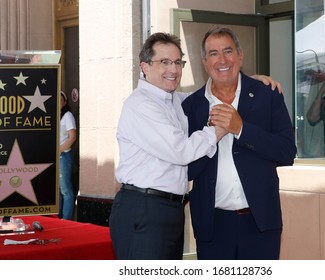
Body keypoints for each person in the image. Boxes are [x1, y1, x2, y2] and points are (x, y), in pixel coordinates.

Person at [109, 32, 282, 260]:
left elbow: (204, 95)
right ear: (145, 66)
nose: (173, 69)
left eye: (177, 62)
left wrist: (245, 80)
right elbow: (182, 151)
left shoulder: (171, 100)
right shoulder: (142, 104)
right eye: (164, 62)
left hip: (169, 210)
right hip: (145, 209)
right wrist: (224, 127)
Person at [181, 26, 297, 260]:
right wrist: (211, 135)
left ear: (240, 56)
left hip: (260, 224)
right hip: (212, 227)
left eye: (228, 51)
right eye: (213, 53)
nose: (222, 60)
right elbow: (187, 169)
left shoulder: (267, 94)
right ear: (205, 62)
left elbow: (287, 152)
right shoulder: (191, 107)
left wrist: (241, 129)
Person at [59, 91, 76, 220]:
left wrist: (59, 150)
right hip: (55, 157)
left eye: (60, 100)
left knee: (65, 189)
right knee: (58, 190)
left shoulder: (67, 116)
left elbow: (72, 137)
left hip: (63, 155)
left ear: (64, 102)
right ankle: (58, 218)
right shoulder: (53, 116)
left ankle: (66, 219)